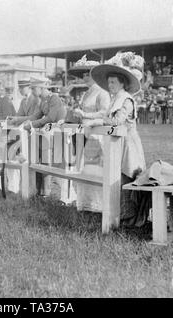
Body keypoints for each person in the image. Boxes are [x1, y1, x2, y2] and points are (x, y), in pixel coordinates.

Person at [86, 52, 148, 227]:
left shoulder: (126, 100)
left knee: (127, 176)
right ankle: (120, 215)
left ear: (122, 83)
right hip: (116, 143)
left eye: (113, 82)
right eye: (109, 82)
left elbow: (117, 121)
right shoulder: (114, 99)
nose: (110, 85)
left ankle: (132, 218)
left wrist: (98, 120)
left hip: (128, 144)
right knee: (116, 177)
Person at [68, 56, 112, 212]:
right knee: (83, 168)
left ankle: (99, 207)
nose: (85, 77)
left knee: (95, 169)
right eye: (84, 75)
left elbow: (105, 113)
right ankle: (86, 204)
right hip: (84, 133)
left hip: (97, 134)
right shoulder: (87, 93)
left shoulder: (103, 92)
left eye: (88, 74)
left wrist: (86, 116)